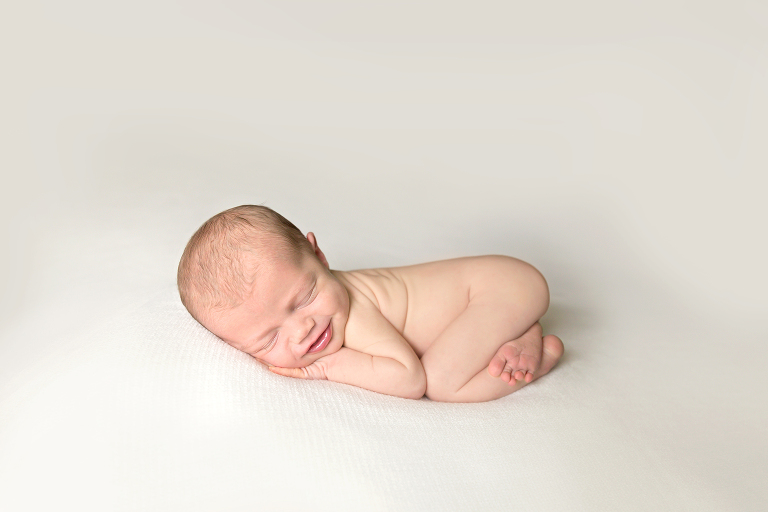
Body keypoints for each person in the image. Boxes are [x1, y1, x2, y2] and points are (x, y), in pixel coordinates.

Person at [177, 205, 563, 403]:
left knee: (442, 383)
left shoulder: (353, 310)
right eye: (269, 339)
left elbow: (409, 379)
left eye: (305, 298)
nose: (303, 330)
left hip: (501, 288)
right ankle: (516, 329)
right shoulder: (323, 308)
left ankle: (538, 353)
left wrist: (324, 367)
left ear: (319, 256)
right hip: (493, 295)